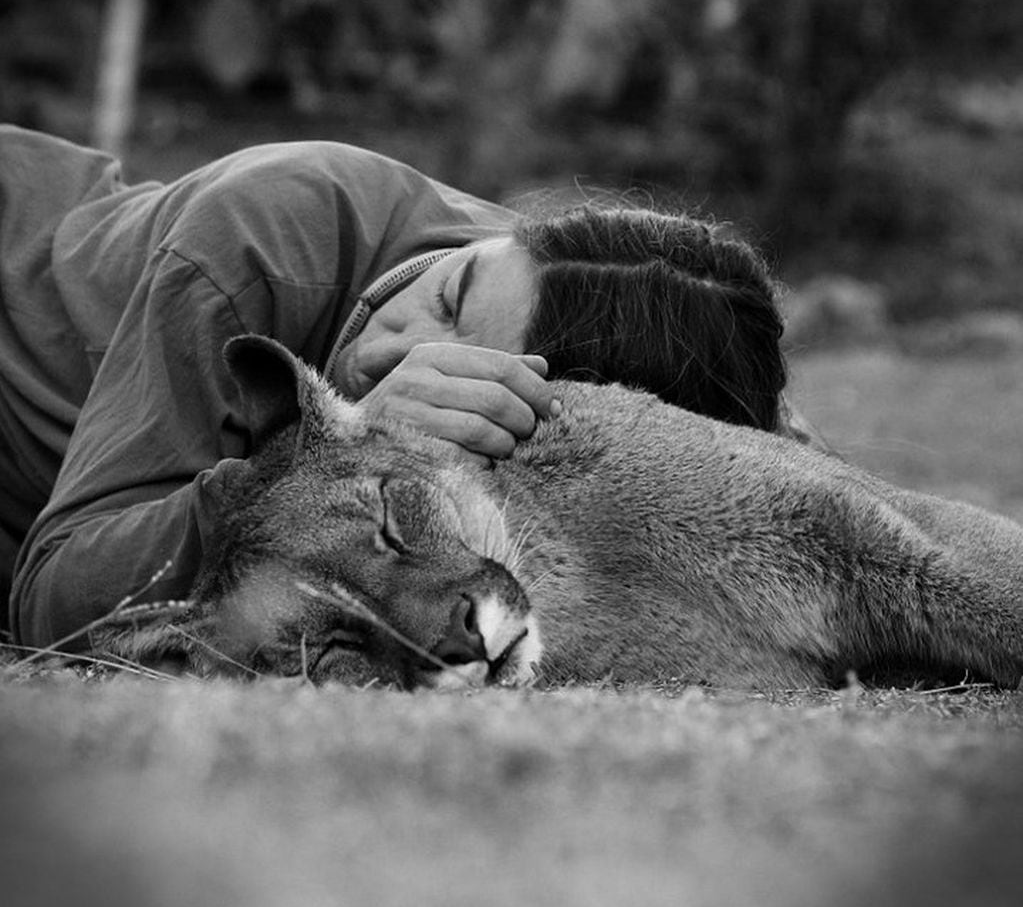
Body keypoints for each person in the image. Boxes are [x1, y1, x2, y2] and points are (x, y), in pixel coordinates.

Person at [0, 125, 787, 650]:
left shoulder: (570, 343)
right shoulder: (256, 242)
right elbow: (52, 601)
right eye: (448, 298)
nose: (399, 355)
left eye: (461, 382)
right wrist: (326, 461)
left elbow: (744, 441)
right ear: (503, 239)